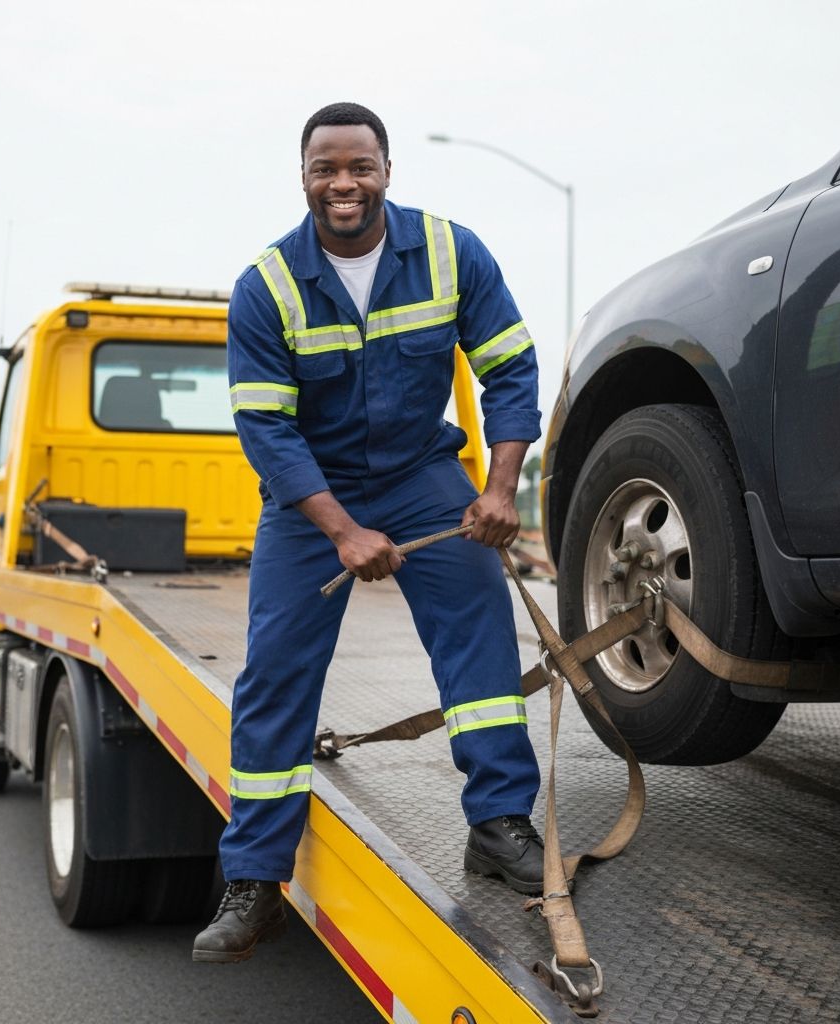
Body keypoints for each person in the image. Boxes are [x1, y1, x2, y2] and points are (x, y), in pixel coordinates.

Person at [192, 102, 543, 964]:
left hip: (422, 475)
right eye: (326, 169)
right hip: (311, 493)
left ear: (387, 171)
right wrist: (342, 530)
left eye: (360, 167)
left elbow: (509, 369)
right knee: (276, 670)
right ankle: (256, 880)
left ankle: (499, 823)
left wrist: (501, 490)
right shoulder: (268, 285)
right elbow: (266, 429)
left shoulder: (452, 252)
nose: (343, 183)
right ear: (303, 178)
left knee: (479, 625)